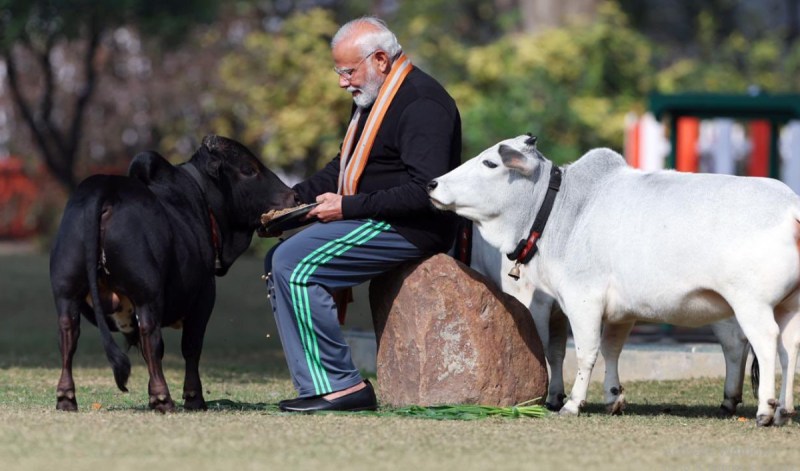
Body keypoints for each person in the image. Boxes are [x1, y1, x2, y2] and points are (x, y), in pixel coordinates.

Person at [263, 16, 462, 412]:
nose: (342, 81)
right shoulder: (373, 99)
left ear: (381, 60)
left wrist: (346, 207)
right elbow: (344, 165)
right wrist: (290, 201)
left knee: (295, 263)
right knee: (277, 258)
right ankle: (316, 384)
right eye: (339, 71)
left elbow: (428, 191)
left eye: (347, 71)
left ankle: (342, 387)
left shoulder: (422, 102)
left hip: (413, 228)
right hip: (374, 219)